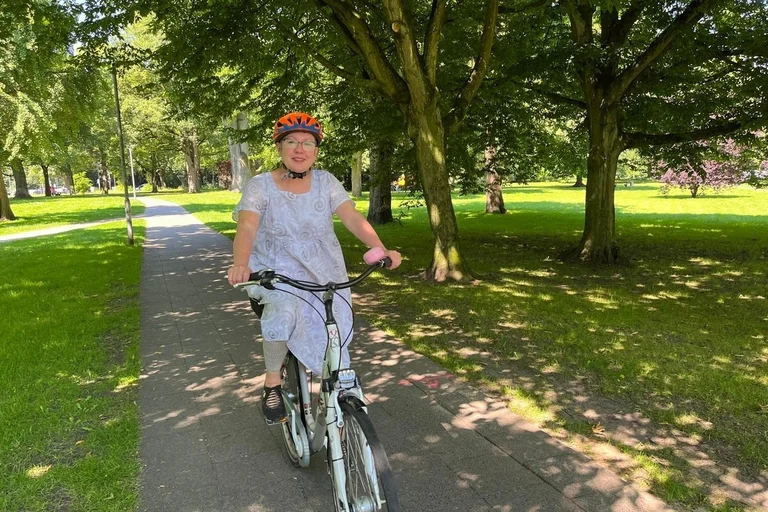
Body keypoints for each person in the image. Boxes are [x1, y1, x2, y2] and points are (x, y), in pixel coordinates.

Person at [227, 112, 402, 425]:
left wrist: (380, 248)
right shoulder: (260, 186)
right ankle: (272, 383)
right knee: (283, 311)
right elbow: (248, 226)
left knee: (334, 322)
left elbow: (352, 217)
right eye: (291, 142)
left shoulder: (326, 182)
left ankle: (339, 402)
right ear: (279, 147)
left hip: (325, 271)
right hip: (276, 271)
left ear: (316, 150)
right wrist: (241, 263)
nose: (299, 149)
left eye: (307, 143)